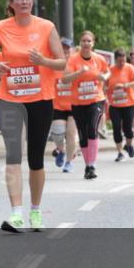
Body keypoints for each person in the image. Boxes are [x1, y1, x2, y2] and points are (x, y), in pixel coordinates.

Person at [0, 0, 66, 233]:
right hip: (10, 98)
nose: (24, 2)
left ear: (32, 2)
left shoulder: (46, 27)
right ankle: (16, 213)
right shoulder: (1, 27)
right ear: (11, 3)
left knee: (36, 158)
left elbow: (61, 62)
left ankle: (36, 211)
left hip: (40, 98)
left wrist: (44, 61)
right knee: (13, 154)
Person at [64, 31, 110, 178]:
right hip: (78, 102)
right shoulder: (72, 60)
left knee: (92, 128)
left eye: (89, 41)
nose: (86, 43)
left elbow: (107, 72)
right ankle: (87, 166)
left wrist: (104, 76)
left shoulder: (99, 59)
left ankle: (92, 165)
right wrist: (78, 73)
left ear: (93, 43)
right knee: (83, 135)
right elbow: (65, 79)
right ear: (80, 43)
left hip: (96, 99)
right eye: (83, 41)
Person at [106, 49, 134, 162]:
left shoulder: (130, 68)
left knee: (128, 128)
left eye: (123, 61)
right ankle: (120, 152)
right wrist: (112, 88)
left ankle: (129, 145)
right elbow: (104, 86)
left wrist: (125, 85)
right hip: (115, 104)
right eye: (119, 61)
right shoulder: (110, 70)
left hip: (129, 103)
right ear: (115, 60)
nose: (122, 63)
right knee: (116, 127)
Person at [50, 37, 78, 173]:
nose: (65, 50)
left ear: (72, 50)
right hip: (58, 105)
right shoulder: (54, 64)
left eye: (67, 48)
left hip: (74, 104)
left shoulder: (76, 64)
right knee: (58, 134)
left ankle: (69, 162)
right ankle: (60, 150)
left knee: (71, 134)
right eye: (62, 48)